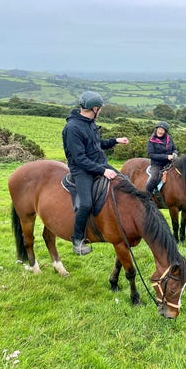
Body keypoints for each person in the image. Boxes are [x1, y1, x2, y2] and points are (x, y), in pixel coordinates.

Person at [62, 91, 129, 255]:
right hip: (82, 170)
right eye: (100, 109)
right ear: (95, 108)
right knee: (85, 204)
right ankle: (77, 240)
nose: (101, 111)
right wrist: (103, 170)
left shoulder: (89, 122)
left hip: (100, 164)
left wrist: (115, 141)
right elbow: (79, 159)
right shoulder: (72, 128)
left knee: (125, 181)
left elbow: (96, 144)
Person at [146, 121, 178, 195]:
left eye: (162, 130)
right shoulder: (151, 140)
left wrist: (174, 153)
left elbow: (174, 149)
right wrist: (166, 156)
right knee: (154, 178)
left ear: (165, 131)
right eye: (159, 129)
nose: (160, 131)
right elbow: (151, 155)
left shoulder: (169, 138)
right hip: (157, 164)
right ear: (156, 129)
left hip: (169, 163)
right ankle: (147, 195)